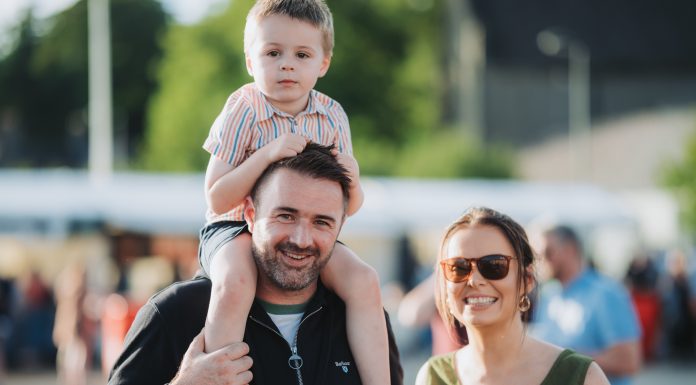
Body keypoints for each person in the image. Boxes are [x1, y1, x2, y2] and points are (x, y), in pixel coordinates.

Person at [199, 1, 389, 384]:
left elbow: (350, 206)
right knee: (236, 281)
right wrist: (267, 155)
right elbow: (216, 198)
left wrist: (353, 178)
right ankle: (218, 377)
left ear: (323, 64)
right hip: (234, 228)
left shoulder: (332, 115)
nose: (287, 64)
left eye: (302, 54)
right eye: (273, 53)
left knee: (365, 279)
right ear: (251, 62)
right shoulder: (243, 109)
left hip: (306, 229)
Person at [108, 143, 403, 385]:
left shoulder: (363, 318)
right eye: (285, 216)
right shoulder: (174, 313)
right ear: (249, 214)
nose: (301, 239)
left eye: (322, 222)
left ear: (340, 226)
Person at [416, 207, 609, 385]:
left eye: (495, 265)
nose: (474, 280)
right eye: (458, 268)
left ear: (526, 280)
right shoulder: (433, 376)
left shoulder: (581, 377)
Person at [531, 225, 641, 385]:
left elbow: (629, 360)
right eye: (536, 256)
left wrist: (560, 360)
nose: (539, 262)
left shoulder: (607, 293)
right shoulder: (549, 294)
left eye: (546, 253)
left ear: (570, 250)